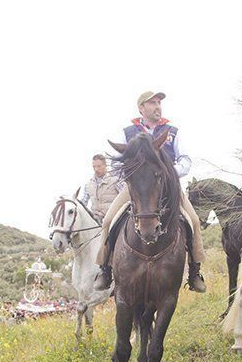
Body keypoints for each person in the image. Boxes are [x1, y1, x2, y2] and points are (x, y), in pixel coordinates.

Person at [94, 90, 206, 293]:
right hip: (136, 189)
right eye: (152, 103)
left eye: (159, 103)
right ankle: (105, 270)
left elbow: (186, 160)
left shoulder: (172, 131)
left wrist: (170, 173)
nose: (158, 106)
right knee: (108, 221)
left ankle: (194, 271)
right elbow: (119, 162)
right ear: (141, 108)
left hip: (169, 188)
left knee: (195, 221)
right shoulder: (128, 131)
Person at [81, 154, 123, 221]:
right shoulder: (88, 185)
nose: (96, 169)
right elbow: (83, 205)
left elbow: (126, 200)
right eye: (94, 167)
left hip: (114, 221)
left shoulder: (116, 180)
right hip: (95, 222)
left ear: (105, 165)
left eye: (99, 166)